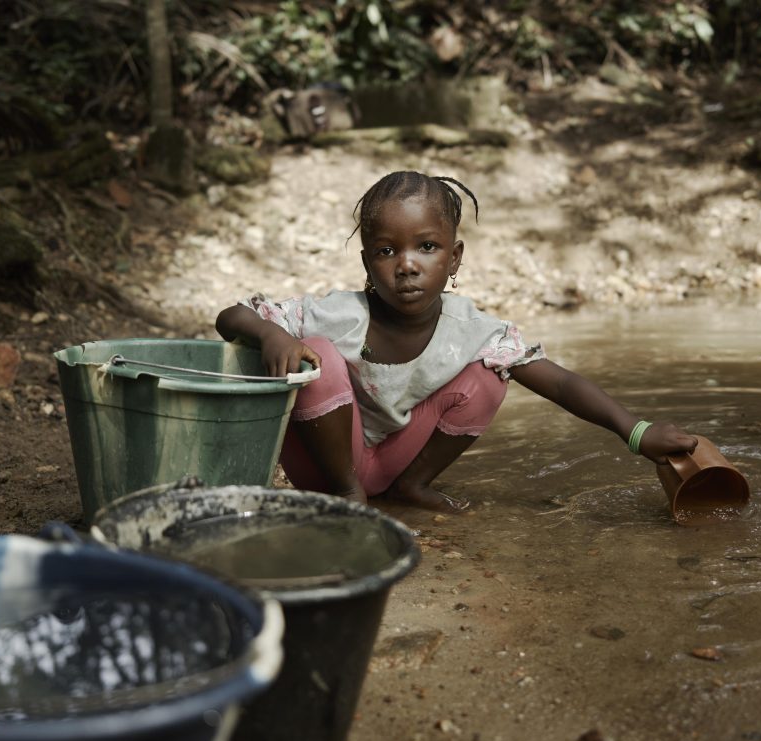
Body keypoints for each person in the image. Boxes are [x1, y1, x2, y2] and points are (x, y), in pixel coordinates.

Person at [215, 170, 697, 511]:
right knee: (315, 354)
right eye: (387, 251)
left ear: (455, 257)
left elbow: (562, 384)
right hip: (324, 470)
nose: (407, 264)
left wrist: (636, 432)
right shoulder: (339, 315)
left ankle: (411, 488)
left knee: (490, 379)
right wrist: (270, 333)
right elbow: (229, 315)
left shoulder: (473, 331)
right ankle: (347, 500)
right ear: (366, 264)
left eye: (427, 247)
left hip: (388, 466)